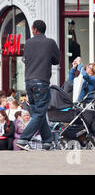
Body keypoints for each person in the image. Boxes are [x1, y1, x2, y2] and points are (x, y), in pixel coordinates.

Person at [16, 20, 60, 151]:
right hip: (42, 81)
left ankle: (47, 140)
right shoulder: (50, 42)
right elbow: (57, 60)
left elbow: (24, 59)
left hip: (29, 81)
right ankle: (24, 139)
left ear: (34, 30)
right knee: (39, 112)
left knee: (37, 112)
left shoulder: (28, 42)